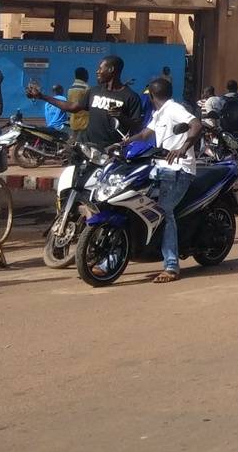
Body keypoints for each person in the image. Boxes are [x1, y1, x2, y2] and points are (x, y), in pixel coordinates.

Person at [123, 76, 202, 284]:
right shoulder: (159, 113)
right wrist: (122, 143)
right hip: (159, 168)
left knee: (164, 211)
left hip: (179, 170)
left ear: (150, 95)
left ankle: (171, 265)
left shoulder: (174, 109)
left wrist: (182, 148)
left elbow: (196, 125)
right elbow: (144, 134)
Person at [28, 55, 141, 157]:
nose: (97, 72)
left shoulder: (130, 97)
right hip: (87, 147)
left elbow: (137, 126)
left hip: (110, 151)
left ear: (111, 69)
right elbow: (72, 107)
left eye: (100, 68)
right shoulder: (94, 91)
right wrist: (42, 96)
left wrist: (121, 116)